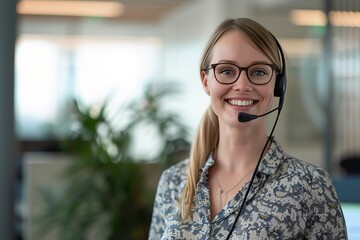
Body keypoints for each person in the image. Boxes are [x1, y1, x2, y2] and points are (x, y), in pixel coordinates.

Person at [148, 18, 347, 239]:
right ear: (206, 81)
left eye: (259, 72)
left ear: (277, 85)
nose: (242, 85)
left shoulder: (311, 186)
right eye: (226, 71)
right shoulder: (174, 181)